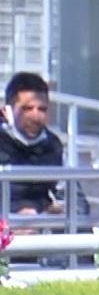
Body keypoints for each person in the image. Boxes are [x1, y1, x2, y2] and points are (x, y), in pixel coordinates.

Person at [0, 71, 65, 216]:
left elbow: (75, 200)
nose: (35, 116)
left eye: (42, 109)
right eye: (27, 109)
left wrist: (52, 213)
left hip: (42, 228)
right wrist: (14, 216)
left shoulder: (53, 145)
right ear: (8, 111)